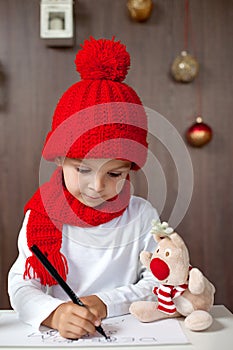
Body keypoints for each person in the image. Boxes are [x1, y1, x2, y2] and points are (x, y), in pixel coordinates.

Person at [8, 37, 159, 340]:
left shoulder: (141, 215)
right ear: (60, 159)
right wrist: (54, 313)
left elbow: (159, 282)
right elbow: (22, 285)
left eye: (114, 173)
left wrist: (106, 302)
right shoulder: (42, 215)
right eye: (83, 169)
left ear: (131, 169)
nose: (97, 186)